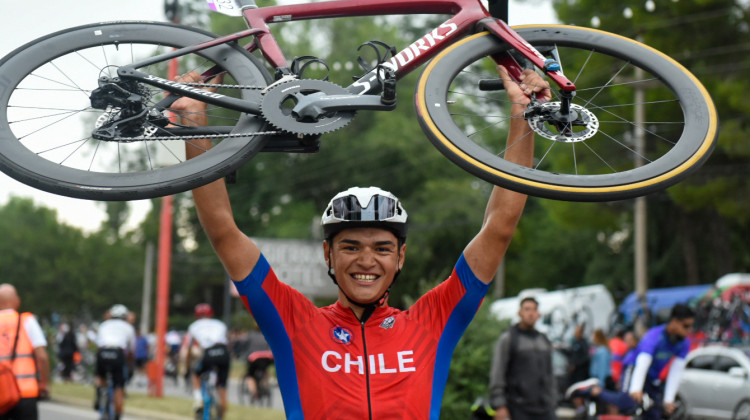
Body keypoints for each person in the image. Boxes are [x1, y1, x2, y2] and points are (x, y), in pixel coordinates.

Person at [174, 63, 549, 419]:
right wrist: (193, 117)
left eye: (382, 248)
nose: (366, 260)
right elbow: (223, 230)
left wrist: (522, 115)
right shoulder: (295, 323)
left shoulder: (432, 324)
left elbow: (499, 226)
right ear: (328, 254)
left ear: (401, 257)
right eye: (350, 246)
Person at [566, 304, 696, 419]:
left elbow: (676, 371)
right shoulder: (655, 336)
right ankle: (592, 390)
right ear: (674, 322)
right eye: (686, 326)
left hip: (652, 376)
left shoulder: (684, 343)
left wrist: (669, 400)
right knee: (627, 402)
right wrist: (636, 389)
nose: (689, 330)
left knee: (654, 413)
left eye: (691, 326)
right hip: (633, 366)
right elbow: (643, 362)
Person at [488, 296, 557, 420]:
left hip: (544, 408)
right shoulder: (509, 338)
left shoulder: (544, 340)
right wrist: (499, 404)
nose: (531, 313)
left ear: (538, 314)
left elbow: (550, 374)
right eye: (527, 309)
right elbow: (497, 372)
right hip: (518, 407)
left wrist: (553, 400)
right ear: (520, 313)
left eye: (534, 310)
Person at [0, 284, 50, 420]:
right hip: (25, 392)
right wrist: (44, 383)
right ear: (17, 301)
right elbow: (42, 357)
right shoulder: (27, 321)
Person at [184, 303, 230, 419]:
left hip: (208, 352)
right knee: (222, 385)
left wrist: (187, 365)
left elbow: (189, 349)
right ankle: (223, 407)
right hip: (223, 353)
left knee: (196, 374)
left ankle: (199, 400)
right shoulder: (220, 324)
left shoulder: (194, 326)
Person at [94, 304, 136, 420]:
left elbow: (98, 344)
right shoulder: (128, 327)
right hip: (118, 353)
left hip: (103, 351)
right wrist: (130, 366)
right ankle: (117, 414)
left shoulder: (104, 325)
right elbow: (131, 350)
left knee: (99, 375)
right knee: (119, 386)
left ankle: (99, 390)